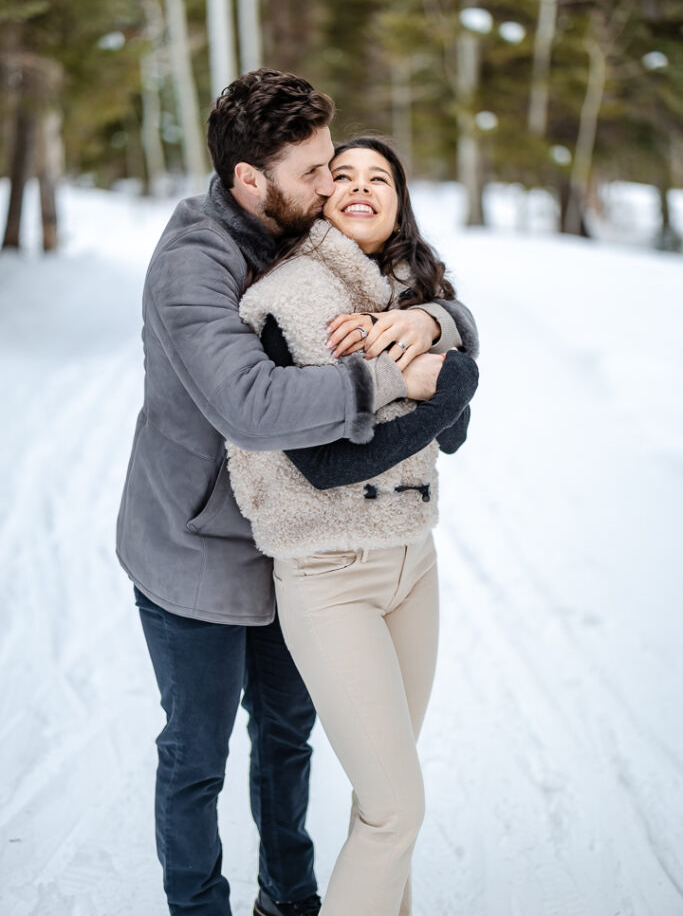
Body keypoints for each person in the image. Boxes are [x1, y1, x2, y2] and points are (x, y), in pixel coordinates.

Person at [116, 69, 479, 916]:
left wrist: (436, 323)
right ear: (251, 180)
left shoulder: (293, 222)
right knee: (197, 753)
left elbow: (415, 283)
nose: (332, 187)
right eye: (315, 172)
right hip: (198, 548)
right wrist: (399, 374)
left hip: (295, 539)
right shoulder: (192, 265)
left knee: (286, 741)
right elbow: (254, 406)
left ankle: (290, 900)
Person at [226, 136, 479, 916]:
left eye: (382, 178)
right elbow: (324, 465)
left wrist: (441, 337)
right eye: (344, 176)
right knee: (396, 809)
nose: (363, 187)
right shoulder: (288, 297)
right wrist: (449, 382)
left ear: (399, 202)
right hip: (329, 573)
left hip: (414, 564)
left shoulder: (412, 295)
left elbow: (453, 436)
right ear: (322, 197)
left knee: (381, 805)